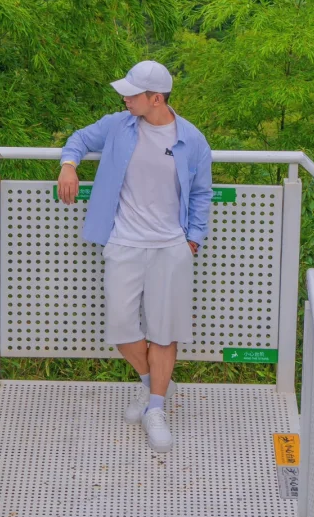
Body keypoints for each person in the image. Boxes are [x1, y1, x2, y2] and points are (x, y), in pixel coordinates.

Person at [57, 60, 212, 453]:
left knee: (163, 330)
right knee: (122, 327)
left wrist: (192, 239)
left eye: (132, 93)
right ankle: (153, 383)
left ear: (155, 98)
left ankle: (155, 407)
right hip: (124, 242)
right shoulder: (118, 125)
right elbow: (79, 139)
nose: (124, 98)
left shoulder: (191, 139)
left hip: (170, 248)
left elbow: (201, 192)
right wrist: (68, 166)